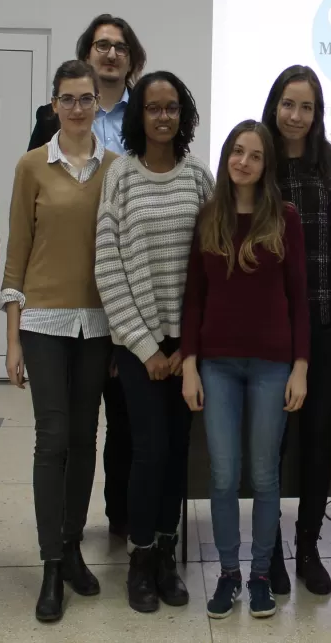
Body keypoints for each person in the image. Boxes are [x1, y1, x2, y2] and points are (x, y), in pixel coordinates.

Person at [2, 60, 118, 622]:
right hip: (43, 324)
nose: (77, 108)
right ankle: (50, 564)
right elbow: (17, 254)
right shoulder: (31, 167)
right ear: (53, 106)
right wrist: (12, 338)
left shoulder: (116, 169)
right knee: (52, 440)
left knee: (84, 436)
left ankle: (73, 546)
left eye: (86, 99)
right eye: (67, 99)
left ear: (99, 103)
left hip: (97, 325)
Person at [180, 120, 310, 621]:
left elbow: (298, 299)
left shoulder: (286, 219)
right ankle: (228, 574)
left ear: (266, 165)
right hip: (217, 365)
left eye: (255, 156)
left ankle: (259, 576)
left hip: (272, 366)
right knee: (223, 474)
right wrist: (189, 364)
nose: (244, 163)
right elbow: (195, 299)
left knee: (263, 474)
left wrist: (300, 367)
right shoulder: (209, 217)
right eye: (237, 152)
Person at [95, 71, 213, 613]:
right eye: (153, 108)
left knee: (175, 455)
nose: (163, 116)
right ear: (139, 115)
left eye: (171, 108)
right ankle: (140, 559)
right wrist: (145, 348)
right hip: (137, 346)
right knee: (148, 451)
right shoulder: (119, 178)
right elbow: (108, 267)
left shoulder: (198, 179)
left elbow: (214, 269)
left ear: (182, 115)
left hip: (187, 345)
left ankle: (167, 555)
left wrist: (186, 349)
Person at [28, 14, 147, 540]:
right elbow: (34, 209)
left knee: (121, 423)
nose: (110, 54)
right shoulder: (46, 123)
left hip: (120, 296)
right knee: (69, 429)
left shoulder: (144, 117)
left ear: (131, 58)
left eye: (120, 46)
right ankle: (62, 535)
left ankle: (119, 518)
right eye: (101, 45)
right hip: (63, 298)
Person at [260, 65, 331, 595]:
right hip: (271, 325)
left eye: (307, 107)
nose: (296, 115)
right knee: (272, 442)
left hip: (324, 317)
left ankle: (308, 546)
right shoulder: (257, 160)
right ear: (275, 106)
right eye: (288, 104)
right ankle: (268, 549)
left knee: (318, 438)